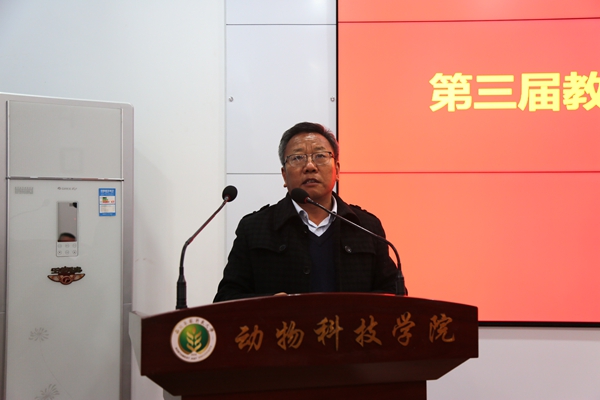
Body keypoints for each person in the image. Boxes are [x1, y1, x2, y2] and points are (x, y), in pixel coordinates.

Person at [214, 122, 405, 302]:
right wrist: (268, 305)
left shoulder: (365, 227)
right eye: (298, 158)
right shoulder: (254, 228)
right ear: (284, 176)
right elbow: (226, 297)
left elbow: (394, 293)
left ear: (337, 170)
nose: (310, 167)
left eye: (320, 156)